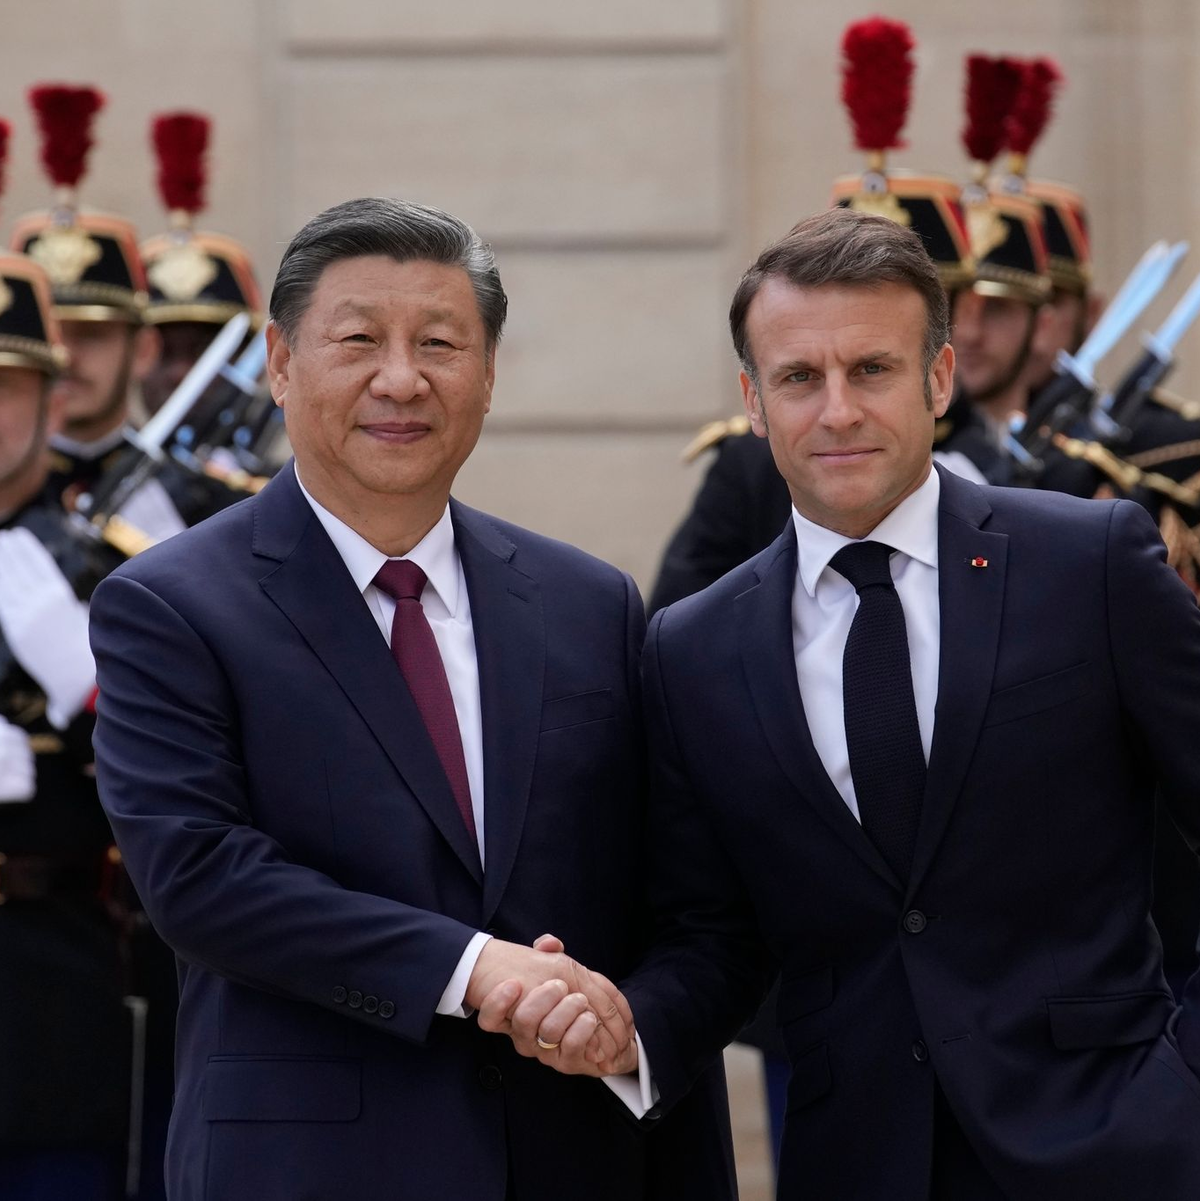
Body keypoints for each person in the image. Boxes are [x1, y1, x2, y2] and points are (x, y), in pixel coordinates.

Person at [498, 207, 1200, 1199]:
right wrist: (631, 1030)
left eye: (871, 369)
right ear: (753, 398)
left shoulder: (1090, 564)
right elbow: (715, 933)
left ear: (939, 379)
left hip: (1126, 1150)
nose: (837, 410)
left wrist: (1182, 1087)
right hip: (854, 1160)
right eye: (799, 378)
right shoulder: (695, 649)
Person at [89, 196, 733, 1200]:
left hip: (569, 1157)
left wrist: (630, 1024)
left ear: (487, 376)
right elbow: (200, 876)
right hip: (309, 1167)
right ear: (279, 362)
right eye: (358, 340)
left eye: (441, 342)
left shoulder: (588, 604)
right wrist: (477, 969)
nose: (402, 378)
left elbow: (684, 900)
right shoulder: (169, 605)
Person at [0, 246, 133, 1199]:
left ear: (51, 398)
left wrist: (95, 698)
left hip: (52, 982)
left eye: (5, 385)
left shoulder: (115, 569)